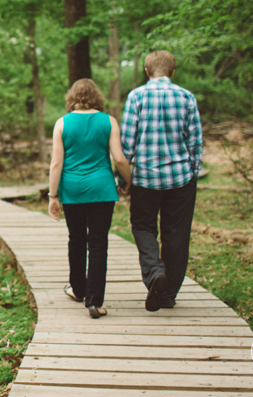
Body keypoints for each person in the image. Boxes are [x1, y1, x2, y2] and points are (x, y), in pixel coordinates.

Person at [120, 50, 203, 312]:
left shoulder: (136, 96)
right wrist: (192, 173)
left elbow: (127, 143)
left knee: (143, 227)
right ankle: (167, 294)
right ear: (172, 72)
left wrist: (124, 176)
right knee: (176, 234)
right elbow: (195, 142)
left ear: (147, 71)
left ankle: (155, 271)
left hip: (145, 178)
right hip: (180, 179)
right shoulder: (187, 97)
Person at [47, 79, 132, 319]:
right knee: (98, 242)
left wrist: (53, 196)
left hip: (72, 191)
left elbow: (56, 163)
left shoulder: (62, 123)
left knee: (76, 239)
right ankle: (94, 300)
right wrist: (128, 181)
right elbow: (120, 159)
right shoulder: (109, 121)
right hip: (102, 189)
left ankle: (78, 289)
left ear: (71, 98)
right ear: (97, 97)